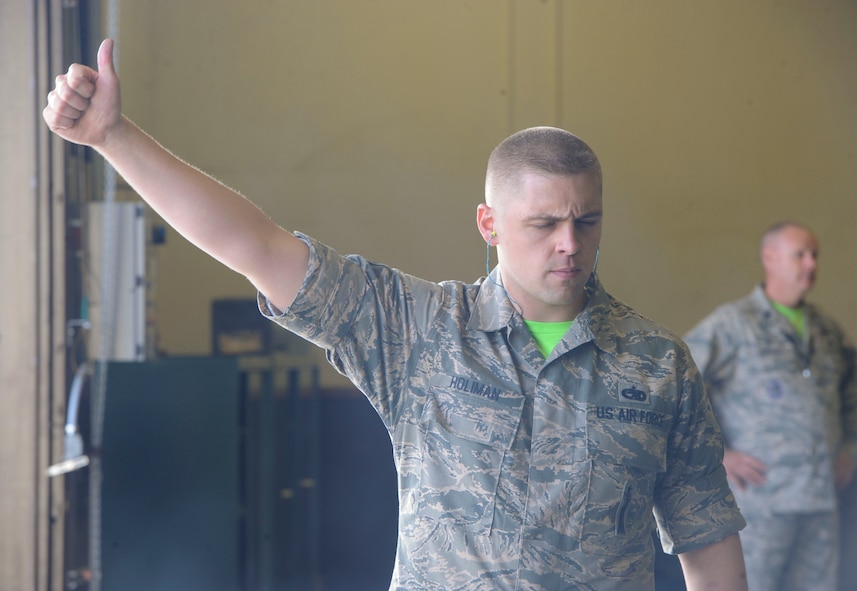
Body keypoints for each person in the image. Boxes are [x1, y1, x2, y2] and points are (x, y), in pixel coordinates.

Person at [44, 39, 748, 591]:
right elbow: (256, 245)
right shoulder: (419, 330)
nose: (570, 243)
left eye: (586, 221)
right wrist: (114, 138)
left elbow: (708, 545)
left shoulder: (656, 364)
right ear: (489, 223)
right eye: (544, 223)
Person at [683, 221, 857, 591]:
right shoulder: (734, 324)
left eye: (815, 255)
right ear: (770, 258)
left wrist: (852, 450)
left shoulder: (826, 330)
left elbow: (855, 398)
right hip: (760, 503)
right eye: (799, 254)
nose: (811, 264)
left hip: (820, 498)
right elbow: (679, 385)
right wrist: (719, 454)